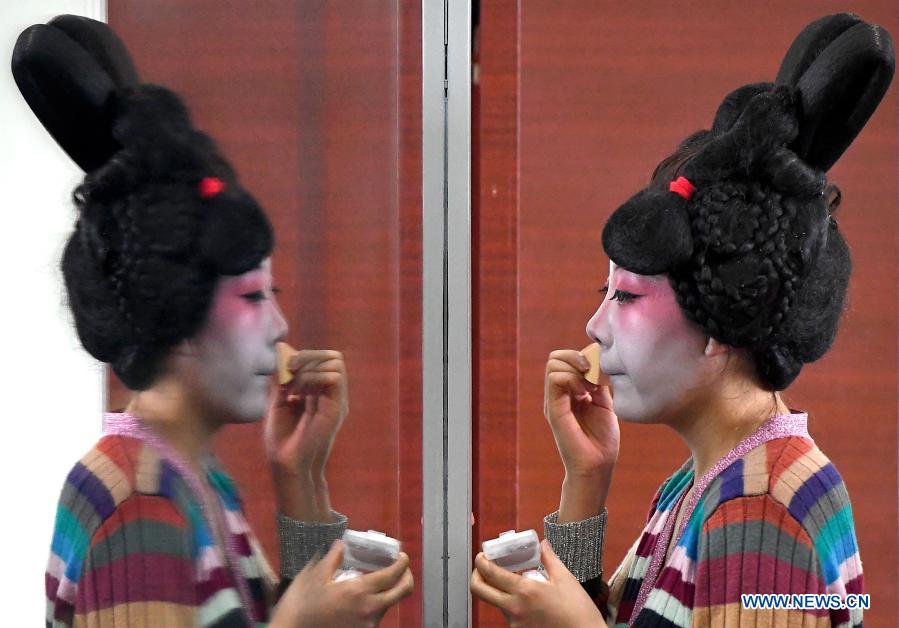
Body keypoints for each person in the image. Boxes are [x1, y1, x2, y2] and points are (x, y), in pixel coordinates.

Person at [470, 13, 893, 627]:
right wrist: (586, 482)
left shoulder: (761, 507)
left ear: (721, 322)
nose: (594, 325)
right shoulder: (712, 480)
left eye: (627, 297)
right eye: (604, 290)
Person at [13, 15, 413, 627]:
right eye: (253, 297)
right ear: (182, 319)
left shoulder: (186, 470)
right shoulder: (139, 498)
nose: (279, 325)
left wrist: (297, 472)